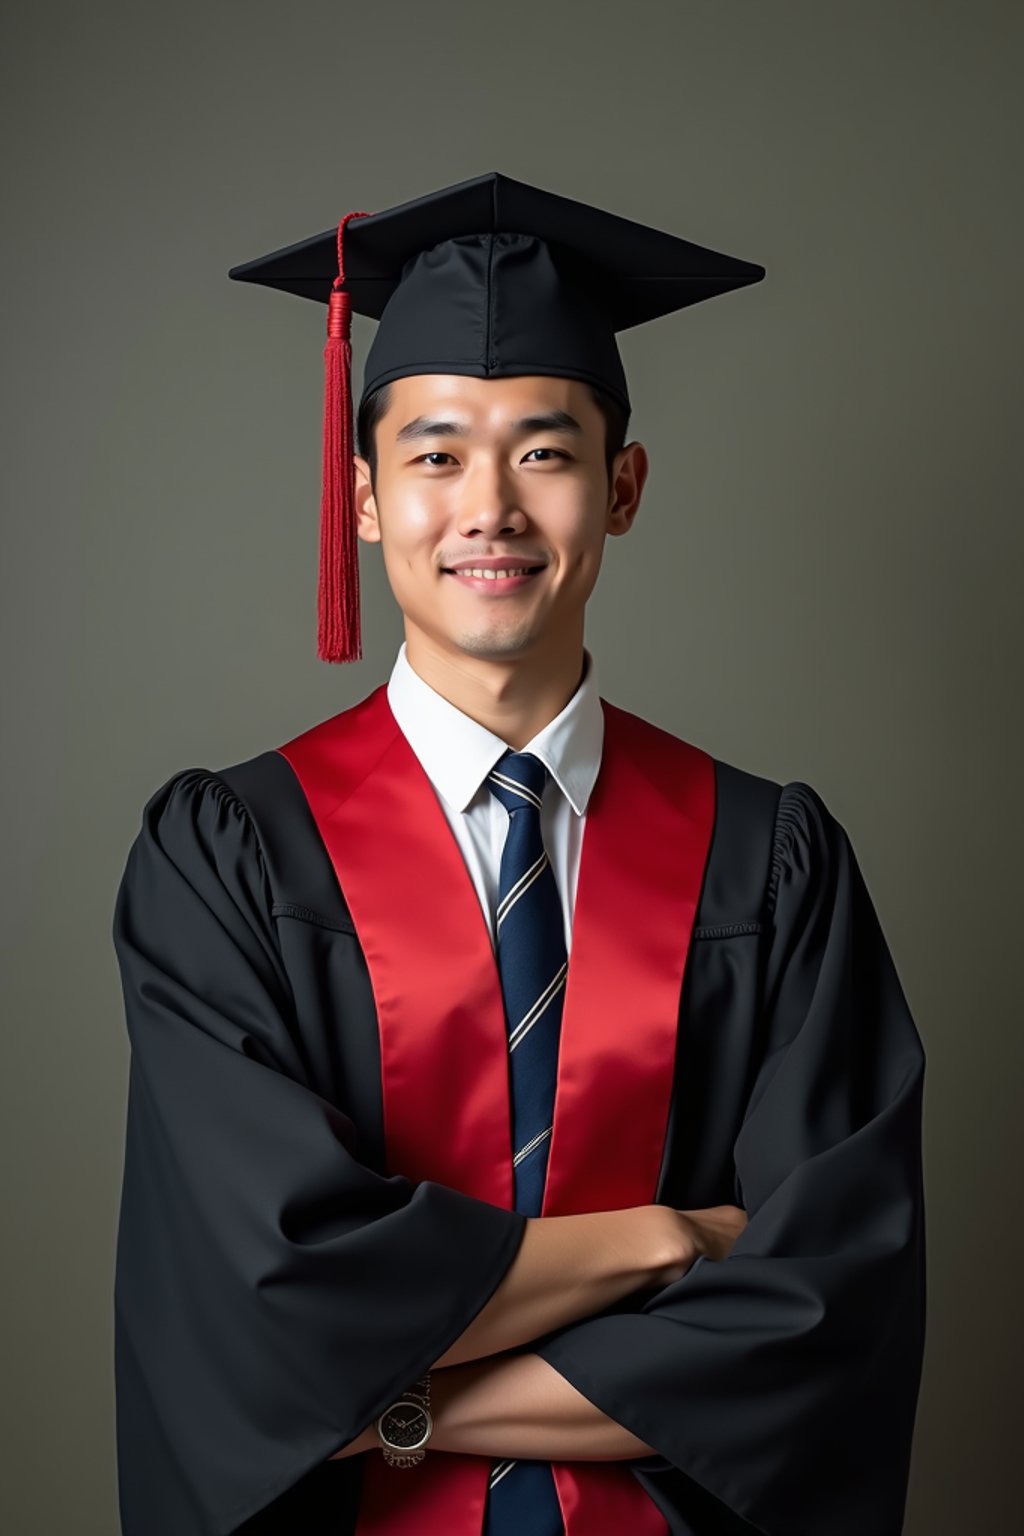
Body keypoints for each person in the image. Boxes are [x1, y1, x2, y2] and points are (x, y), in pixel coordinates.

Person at [111, 171, 927, 1536]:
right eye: (434, 455)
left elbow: (824, 1320)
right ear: (363, 497)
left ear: (623, 489)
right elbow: (259, 1302)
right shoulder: (232, 858)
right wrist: (666, 1241)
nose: (487, 506)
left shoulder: (769, 862)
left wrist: (391, 1408)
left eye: (542, 452)